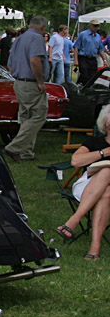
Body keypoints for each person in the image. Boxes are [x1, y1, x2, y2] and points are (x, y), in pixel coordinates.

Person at [55, 105, 110, 261]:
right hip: (89, 185)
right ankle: (95, 247)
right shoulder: (94, 142)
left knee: (107, 180)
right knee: (106, 186)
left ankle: (75, 219)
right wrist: (104, 153)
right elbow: (76, 160)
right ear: (105, 126)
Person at [2, 15, 50, 163]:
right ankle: (14, 147)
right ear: (42, 28)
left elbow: (9, 63)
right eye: (44, 30)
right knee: (39, 115)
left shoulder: (19, 39)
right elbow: (35, 60)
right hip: (31, 83)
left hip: (19, 82)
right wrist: (40, 81)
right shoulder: (37, 39)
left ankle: (26, 152)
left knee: (26, 117)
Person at [73, 19, 108, 87]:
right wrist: (76, 60)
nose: (96, 27)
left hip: (93, 58)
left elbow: (101, 49)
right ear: (90, 25)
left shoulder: (98, 36)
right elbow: (76, 47)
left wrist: (104, 60)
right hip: (83, 57)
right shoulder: (83, 34)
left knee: (93, 75)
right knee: (84, 73)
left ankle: (87, 87)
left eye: (97, 26)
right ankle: (79, 85)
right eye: (95, 26)